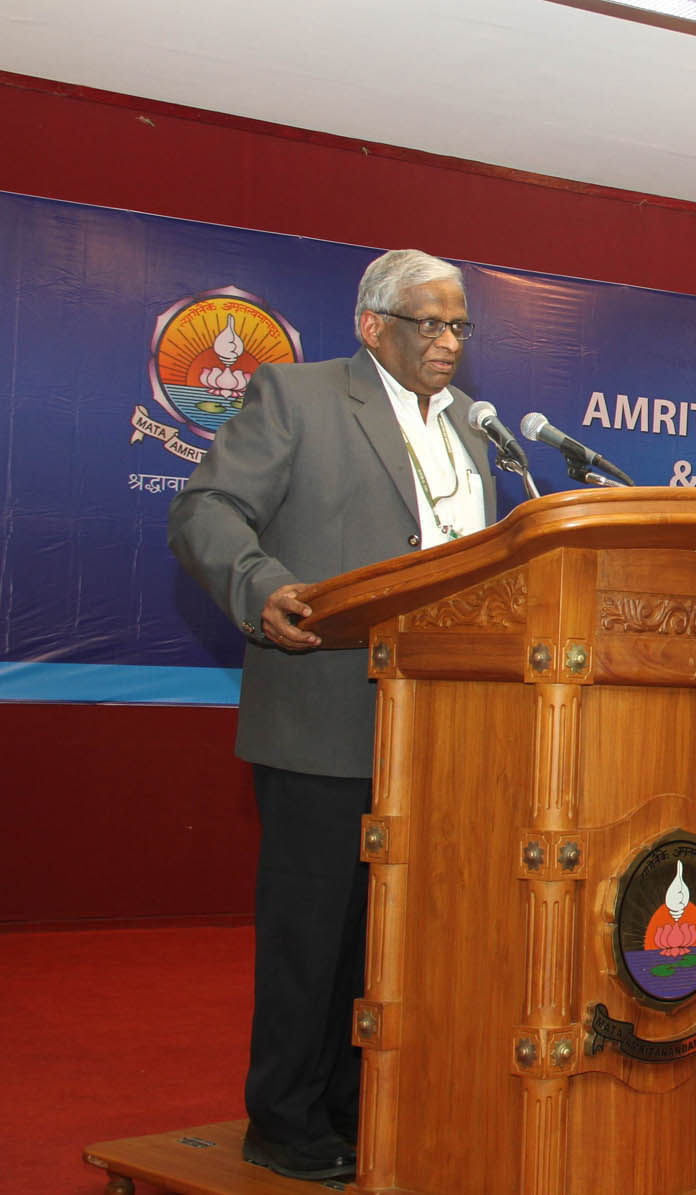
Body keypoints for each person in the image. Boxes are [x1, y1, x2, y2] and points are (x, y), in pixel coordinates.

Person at [168, 249, 495, 1181]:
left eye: (459, 325)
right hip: (322, 715)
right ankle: (283, 1120)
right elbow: (204, 507)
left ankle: (358, 1106)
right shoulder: (299, 397)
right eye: (430, 322)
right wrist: (259, 583)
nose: (448, 340)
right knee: (313, 937)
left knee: (391, 941)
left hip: (440, 728)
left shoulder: (471, 430)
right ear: (371, 326)